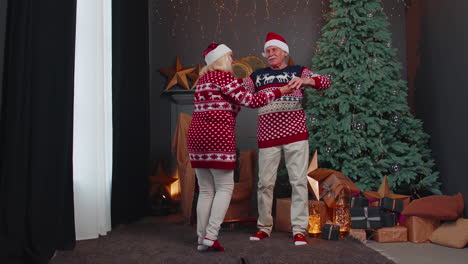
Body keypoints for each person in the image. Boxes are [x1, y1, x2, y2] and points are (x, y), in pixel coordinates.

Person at [187, 43, 294, 252]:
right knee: (225, 187)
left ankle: (202, 240)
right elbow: (251, 101)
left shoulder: (203, 81)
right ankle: (211, 235)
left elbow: (235, 93)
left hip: (196, 136)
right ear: (221, 60)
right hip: (217, 136)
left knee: (206, 190)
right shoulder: (223, 77)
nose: (234, 61)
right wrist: (280, 90)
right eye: (230, 56)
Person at [243, 32, 331, 246]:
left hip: (295, 134)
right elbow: (239, 92)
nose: (270, 53)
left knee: (298, 182)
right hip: (267, 136)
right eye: (268, 51)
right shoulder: (257, 76)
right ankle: (264, 227)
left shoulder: (297, 71)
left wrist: (306, 80)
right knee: (265, 183)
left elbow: (325, 82)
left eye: (274, 50)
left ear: (284, 52)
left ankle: (299, 230)